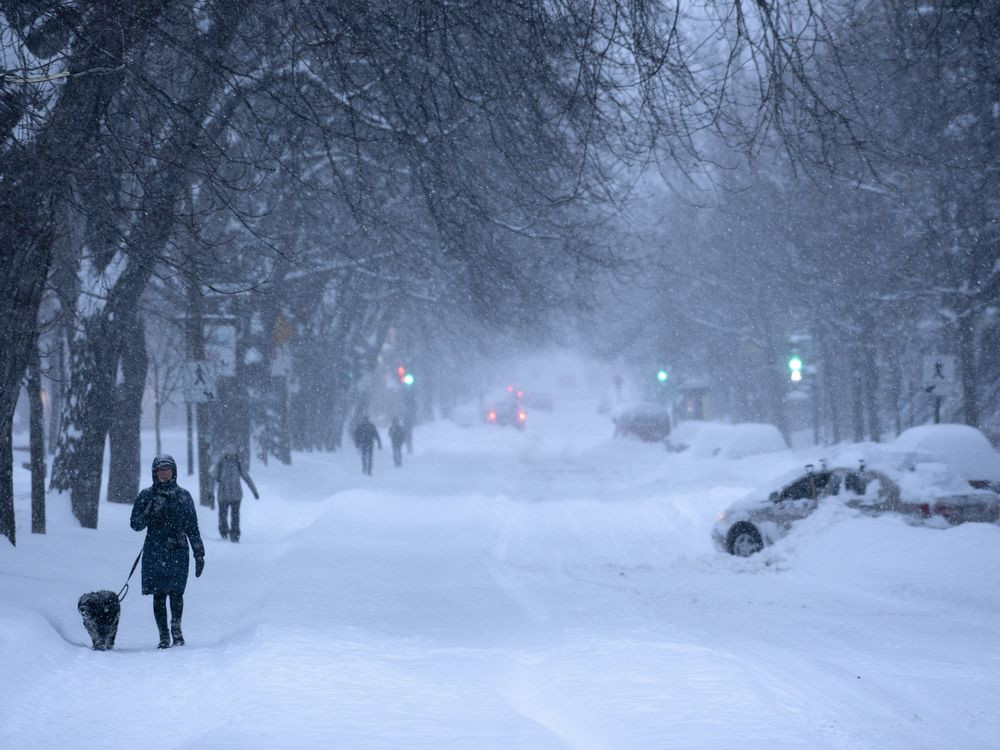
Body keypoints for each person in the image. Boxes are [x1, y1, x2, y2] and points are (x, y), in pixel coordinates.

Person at [130, 455, 205, 649]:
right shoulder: (147, 496)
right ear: (155, 473)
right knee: (159, 594)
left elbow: (193, 527)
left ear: (173, 472)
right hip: (155, 550)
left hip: (178, 550)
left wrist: (199, 554)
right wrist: (149, 511)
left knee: (177, 593)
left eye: (167, 469)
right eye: (160, 470)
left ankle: (176, 629)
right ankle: (163, 634)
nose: (164, 473)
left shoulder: (184, 496)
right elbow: (135, 524)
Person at [214, 446, 259, 542]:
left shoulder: (238, 464)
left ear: (235, 454)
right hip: (223, 495)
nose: (231, 455)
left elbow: (247, 478)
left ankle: (235, 535)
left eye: (233, 454)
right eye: (229, 453)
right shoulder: (221, 463)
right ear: (226, 454)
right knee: (222, 515)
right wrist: (209, 492)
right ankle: (224, 533)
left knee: (235, 516)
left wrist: (254, 491)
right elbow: (213, 477)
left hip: (236, 495)